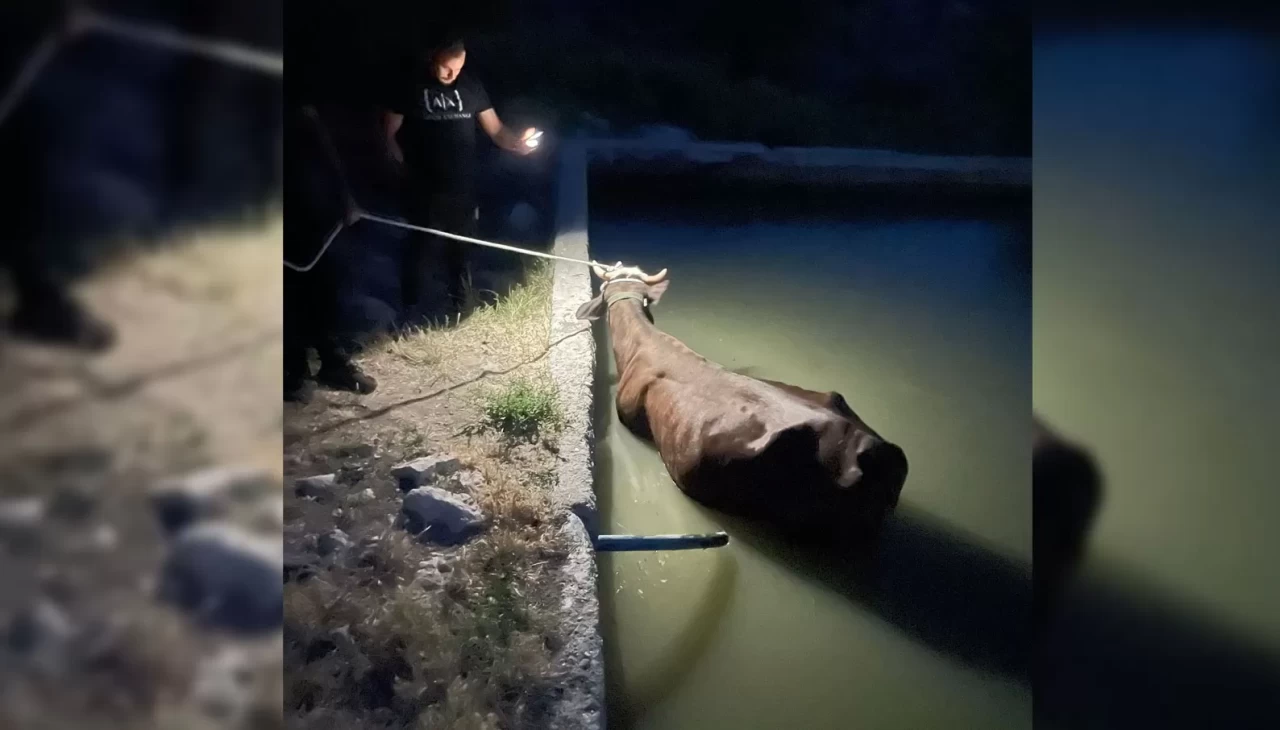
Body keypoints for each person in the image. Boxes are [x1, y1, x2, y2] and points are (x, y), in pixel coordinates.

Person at [382, 37, 538, 316]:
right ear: (433, 58)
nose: (452, 74)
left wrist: (517, 144)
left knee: (462, 246)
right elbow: (388, 130)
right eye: (446, 67)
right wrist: (393, 154)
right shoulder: (412, 85)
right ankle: (410, 305)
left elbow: (496, 130)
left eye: (458, 67)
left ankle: (459, 303)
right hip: (423, 182)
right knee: (420, 244)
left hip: (463, 183)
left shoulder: (471, 86)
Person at [283, 105, 376, 401]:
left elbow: (328, 157)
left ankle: (333, 362)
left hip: (315, 216)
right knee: (286, 298)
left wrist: (347, 200)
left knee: (325, 293)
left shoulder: (301, 112)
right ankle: (292, 369)